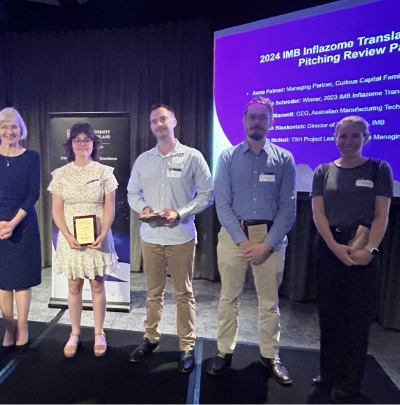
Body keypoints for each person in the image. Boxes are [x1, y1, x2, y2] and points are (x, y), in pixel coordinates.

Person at [208, 96, 296, 385]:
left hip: (270, 242)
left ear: (272, 121)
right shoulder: (228, 157)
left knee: (269, 303)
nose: (257, 122)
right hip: (234, 240)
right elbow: (223, 204)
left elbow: (288, 207)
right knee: (228, 298)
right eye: (252, 117)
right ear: (244, 121)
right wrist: (243, 242)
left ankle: (270, 356)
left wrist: (267, 244)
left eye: (263, 117)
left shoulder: (284, 159)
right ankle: (223, 351)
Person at [310, 116, 393, 402]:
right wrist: (333, 246)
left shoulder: (379, 169)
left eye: (355, 136)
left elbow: (381, 215)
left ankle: (349, 381)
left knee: (355, 322)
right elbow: (318, 213)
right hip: (329, 248)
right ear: (335, 138)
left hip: (363, 250)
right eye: (342, 136)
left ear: (365, 138)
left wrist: (369, 251)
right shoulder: (322, 171)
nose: (348, 141)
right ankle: (328, 372)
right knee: (329, 317)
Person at [127, 104, 214, 373]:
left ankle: (186, 345)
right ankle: (150, 338)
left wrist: (180, 212)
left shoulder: (192, 157)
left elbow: (207, 194)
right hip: (151, 236)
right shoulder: (143, 160)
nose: (159, 124)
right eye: (154, 121)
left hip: (180, 237)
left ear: (174, 121)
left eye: (163, 119)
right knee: (153, 293)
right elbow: (132, 193)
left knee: (183, 294)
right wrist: (143, 209)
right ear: (151, 127)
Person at [49, 122, 119, 358]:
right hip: (70, 238)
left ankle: (99, 332)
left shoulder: (104, 172)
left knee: (97, 284)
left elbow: (109, 207)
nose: (82, 143)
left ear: (94, 144)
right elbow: (56, 210)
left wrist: (103, 232)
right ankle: (75, 333)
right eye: (77, 140)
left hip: (98, 235)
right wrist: (67, 236)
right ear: (70, 144)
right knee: (73, 284)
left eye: (86, 139)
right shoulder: (60, 174)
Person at [0, 107, 42, 352]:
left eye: (14, 126)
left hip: (23, 225)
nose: (9, 131)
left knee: (22, 281)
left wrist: (12, 224)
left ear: (21, 129)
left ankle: (23, 326)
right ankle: (9, 327)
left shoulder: (31, 156)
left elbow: (32, 194)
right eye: (5, 126)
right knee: (3, 282)